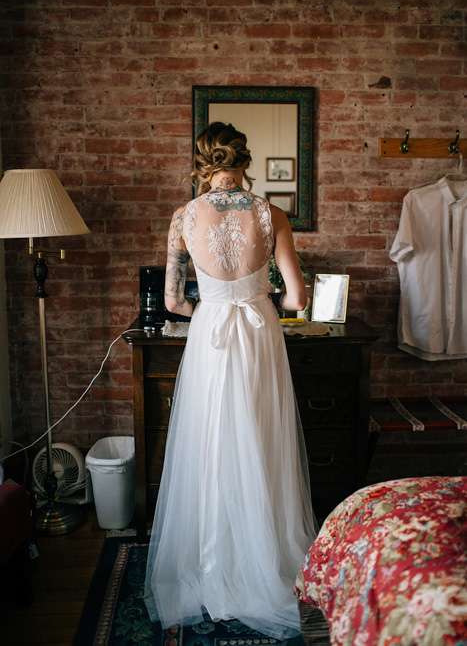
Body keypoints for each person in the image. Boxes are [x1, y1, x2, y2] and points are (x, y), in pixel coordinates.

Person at [144, 122, 317, 640]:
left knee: (211, 440)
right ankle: (264, 557)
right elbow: (297, 300)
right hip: (258, 331)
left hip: (212, 332)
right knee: (261, 438)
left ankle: (214, 564)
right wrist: (267, 300)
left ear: (204, 164)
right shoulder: (273, 214)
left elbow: (174, 301)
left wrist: (209, 305)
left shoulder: (182, 218)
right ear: (245, 162)